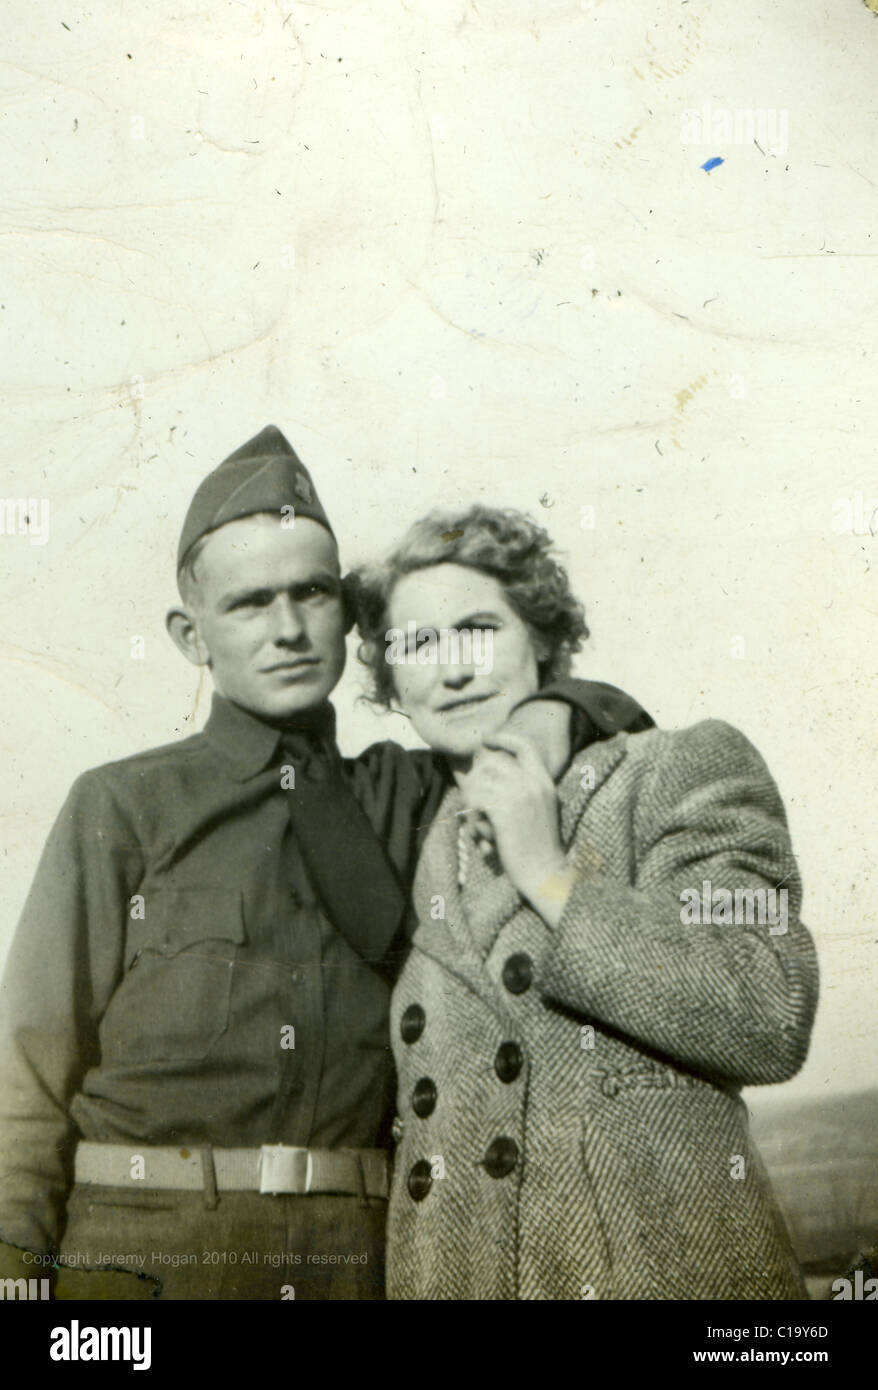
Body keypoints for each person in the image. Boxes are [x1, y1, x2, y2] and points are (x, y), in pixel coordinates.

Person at [0, 427, 650, 1301]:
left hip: (358, 1259)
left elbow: (623, 720)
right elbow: (30, 1065)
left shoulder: (418, 794)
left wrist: (545, 717)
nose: (287, 629)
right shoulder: (122, 807)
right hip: (138, 1256)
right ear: (191, 637)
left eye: (311, 593)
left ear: (348, 612)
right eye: (249, 604)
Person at [351, 504, 820, 1300]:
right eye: (418, 645)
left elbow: (768, 1009)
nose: (452, 670)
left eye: (478, 630)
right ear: (392, 677)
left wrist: (552, 879)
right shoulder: (410, 835)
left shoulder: (669, 768)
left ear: (542, 639)